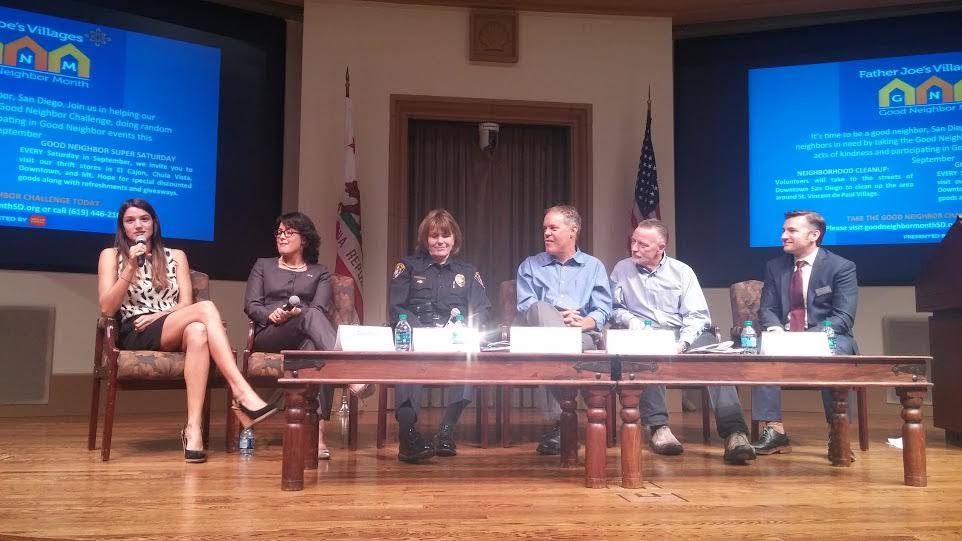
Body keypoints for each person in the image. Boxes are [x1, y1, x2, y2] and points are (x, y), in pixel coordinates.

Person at [97, 198, 279, 463]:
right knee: (205, 310)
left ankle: (193, 428)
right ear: (123, 227)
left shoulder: (176, 255)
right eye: (130, 221)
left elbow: (185, 303)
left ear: (154, 224)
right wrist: (130, 268)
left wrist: (158, 316)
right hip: (135, 328)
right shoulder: (111, 256)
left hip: (171, 322)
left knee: (198, 331)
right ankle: (241, 390)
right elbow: (106, 307)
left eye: (144, 219)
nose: (138, 225)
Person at [609, 219, 756, 464]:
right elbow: (614, 308)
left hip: (685, 332)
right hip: (647, 333)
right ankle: (658, 428)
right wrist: (632, 320)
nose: (634, 248)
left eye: (642, 244)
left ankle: (735, 433)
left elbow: (698, 316)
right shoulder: (622, 269)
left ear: (661, 247)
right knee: (647, 352)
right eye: (633, 241)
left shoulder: (682, 271)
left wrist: (683, 343)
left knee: (715, 361)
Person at [751, 210, 859, 458]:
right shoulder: (774, 266)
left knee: (836, 351)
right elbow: (767, 309)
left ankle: (838, 430)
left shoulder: (841, 267)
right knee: (762, 349)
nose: (783, 236)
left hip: (826, 335)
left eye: (791, 231)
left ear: (814, 235)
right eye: (783, 230)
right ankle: (774, 430)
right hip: (785, 335)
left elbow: (843, 317)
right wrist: (776, 329)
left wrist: (808, 338)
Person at [389, 209, 492, 463]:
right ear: (425, 239)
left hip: (454, 339)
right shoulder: (408, 267)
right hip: (416, 338)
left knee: (468, 356)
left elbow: (482, 310)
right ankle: (407, 433)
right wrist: (419, 334)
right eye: (434, 236)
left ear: (454, 239)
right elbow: (397, 309)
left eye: (445, 236)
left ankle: (446, 430)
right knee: (407, 359)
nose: (440, 241)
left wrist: (463, 329)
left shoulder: (468, 272)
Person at [244, 212, 344, 460]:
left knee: (314, 345)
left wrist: (295, 313)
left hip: (304, 331)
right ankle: (348, 371)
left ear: (305, 239)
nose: (282, 236)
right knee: (311, 320)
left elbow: (319, 309)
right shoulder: (263, 265)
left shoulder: (320, 272)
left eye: (289, 232)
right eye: (279, 232)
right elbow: (251, 304)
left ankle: (316, 434)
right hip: (270, 334)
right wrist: (271, 314)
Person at [516, 205, 612, 455]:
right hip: (539, 335)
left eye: (553, 228)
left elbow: (602, 310)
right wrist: (556, 316)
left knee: (549, 349)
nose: (546, 233)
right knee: (541, 312)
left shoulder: (593, 267)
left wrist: (584, 322)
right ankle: (564, 422)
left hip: (581, 337)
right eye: (544, 228)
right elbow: (527, 307)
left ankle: (560, 424)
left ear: (573, 231)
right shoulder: (530, 265)